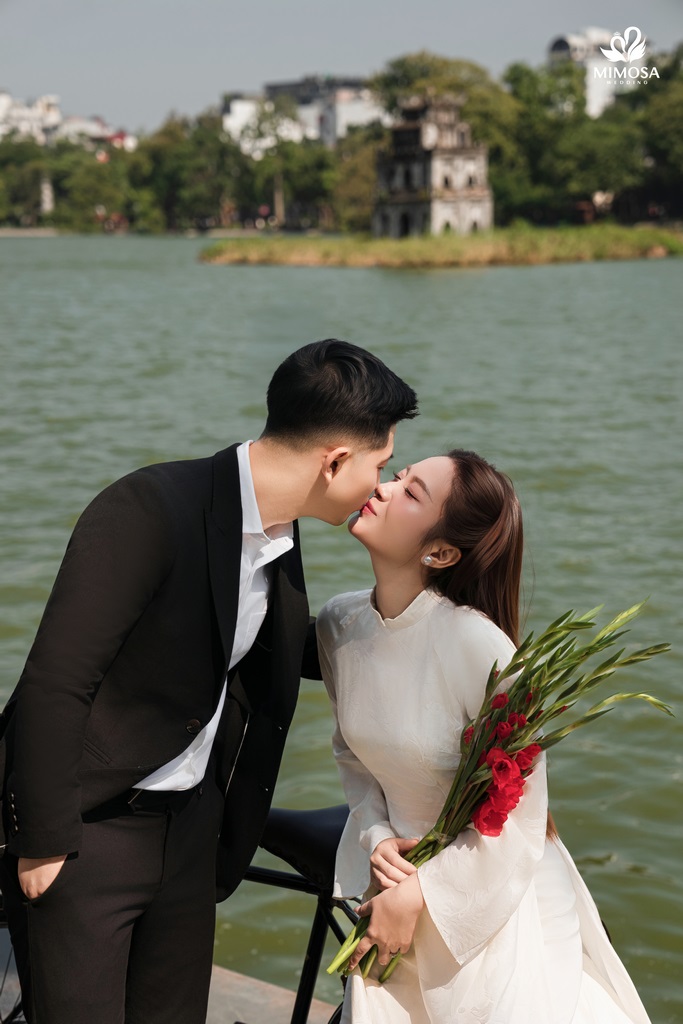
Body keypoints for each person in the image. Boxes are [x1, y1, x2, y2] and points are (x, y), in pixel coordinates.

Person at [0, 338, 418, 1024]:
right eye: (379, 464)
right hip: (90, 834)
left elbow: (268, 645)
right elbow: (56, 679)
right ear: (334, 460)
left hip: (191, 835)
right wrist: (42, 838)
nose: (378, 484)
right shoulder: (149, 508)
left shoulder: (280, 532)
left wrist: (422, 624)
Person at [317, 449, 652, 1024]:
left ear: (441, 552)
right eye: (397, 476)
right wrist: (377, 839)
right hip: (392, 882)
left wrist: (422, 893)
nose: (385, 488)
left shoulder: (480, 646)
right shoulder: (338, 625)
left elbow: (521, 810)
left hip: (485, 896)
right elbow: (354, 756)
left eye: (411, 492)